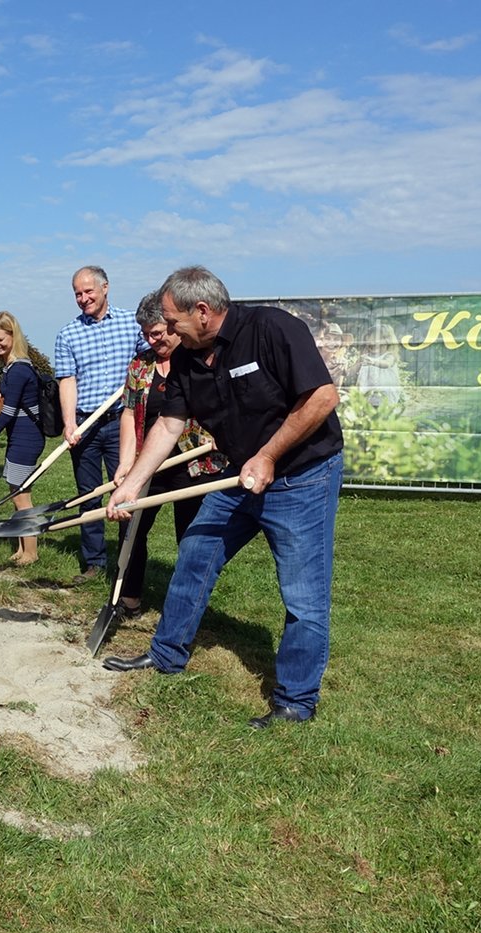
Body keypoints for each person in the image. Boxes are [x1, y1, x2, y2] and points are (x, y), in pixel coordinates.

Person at [102, 266, 344, 729]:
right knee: (194, 553)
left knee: (303, 594)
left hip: (302, 478)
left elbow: (321, 398)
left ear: (203, 311)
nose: (166, 332)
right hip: (238, 477)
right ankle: (167, 654)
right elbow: (170, 423)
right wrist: (132, 484)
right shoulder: (189, 359)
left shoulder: (272, 329)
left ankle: (295, 700)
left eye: (172, 323)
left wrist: (269, 455)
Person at [113, 291, 227, 616]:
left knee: (192, 539)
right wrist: (126, 463)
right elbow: (129, 413)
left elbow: (224, 403)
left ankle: (186, 608)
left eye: (158, 333)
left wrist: (224, 433)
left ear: (173, 326)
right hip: (151, 463)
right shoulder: (140, 366)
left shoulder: (200, 361)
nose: (152, 340)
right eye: (146, 334)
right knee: (130, 529)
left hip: (195, 464)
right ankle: (129, 598)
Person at [53, 265, 145, 580]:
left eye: (88, 291)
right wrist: (69, 423)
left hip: (124, 421)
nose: (83, 298)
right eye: (77, 293)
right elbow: (67, 380)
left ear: (105, 287)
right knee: (87, 495)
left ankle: (127, 564)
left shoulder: (133, 323)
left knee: (126, 490)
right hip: (85, 424)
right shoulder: (68, 334)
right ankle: (94, 563)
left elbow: (150, 362)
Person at [0, 311, 46, 564]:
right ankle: (21, 548)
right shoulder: (12, 368)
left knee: (21, 496)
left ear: (13, 336)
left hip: (26, 439)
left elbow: (9, 411)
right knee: (16, 491)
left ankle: (31, 552)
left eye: (0, 339)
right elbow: (10, 393)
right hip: (21, 437)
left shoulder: (19, 369)